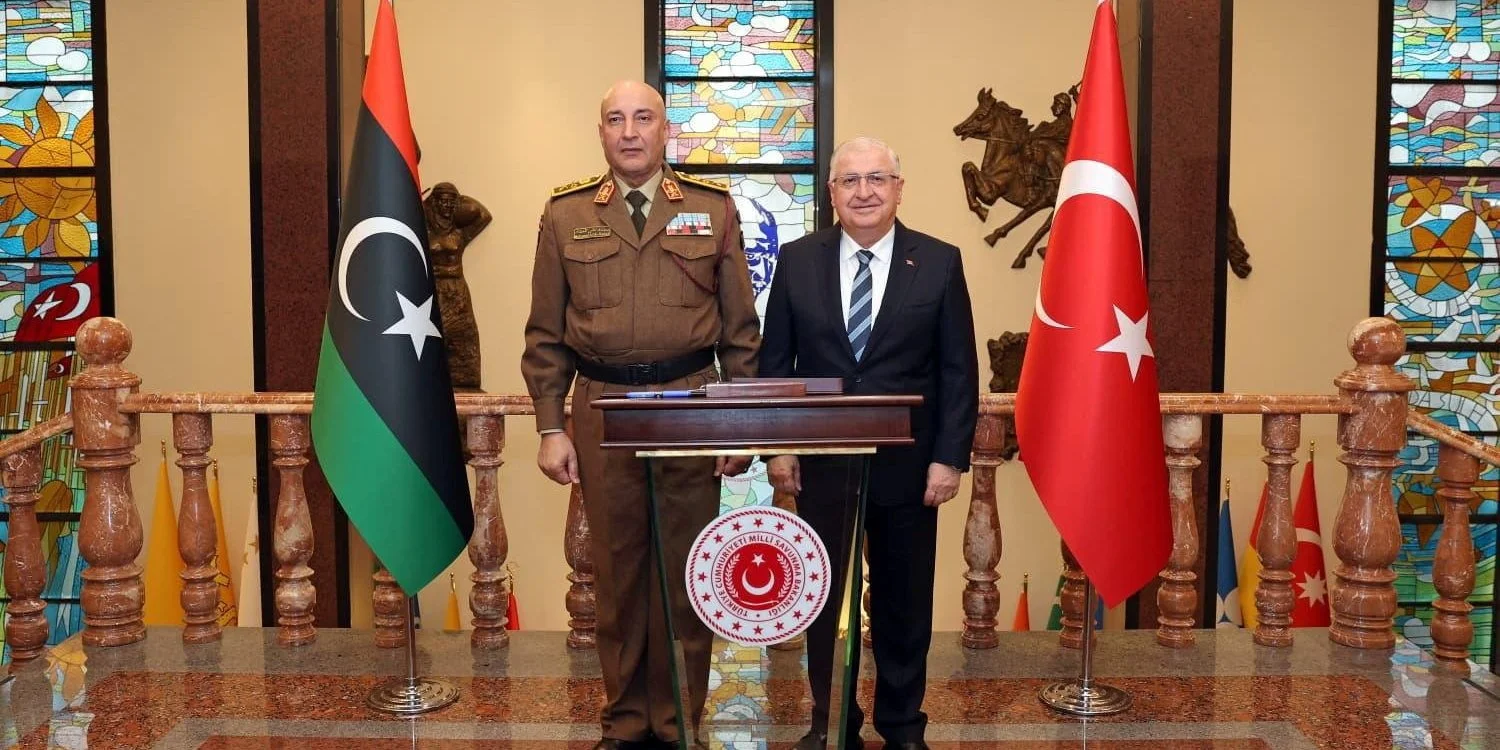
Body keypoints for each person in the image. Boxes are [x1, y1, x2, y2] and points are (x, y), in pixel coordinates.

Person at [521, 80, 761, 750]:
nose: (629, 132)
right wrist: (551, 426)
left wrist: (740, 423)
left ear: (664, 130)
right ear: (601, 132)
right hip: (603, 408)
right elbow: (545, 334)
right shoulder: (565, 214)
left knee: (687, 574)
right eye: (615, 119)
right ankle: (626, 721)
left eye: (643, 118)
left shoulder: (712, 209)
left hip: (691, 406)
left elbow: (741, 333)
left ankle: (680, 719)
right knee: (618, 574)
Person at [758, 137, 979, 750]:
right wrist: (778, 448)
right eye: (850, 180)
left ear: (899, 188)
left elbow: (958, 370)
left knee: (904, 602)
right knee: (823, 598)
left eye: (877, 179)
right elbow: (776, 364)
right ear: (831, 192)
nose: (864, 192)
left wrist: (948, 457)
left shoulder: (938, 261)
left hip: (911, 465)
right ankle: (831, 722)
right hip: (822, 463)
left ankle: (902, 725)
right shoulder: (797, 260)